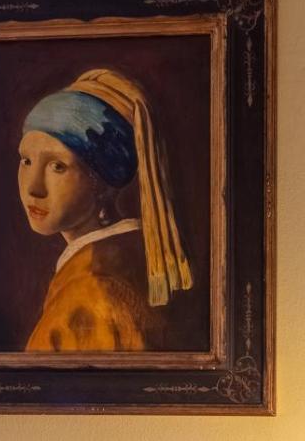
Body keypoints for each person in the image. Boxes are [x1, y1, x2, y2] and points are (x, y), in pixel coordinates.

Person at [18, 67, 193, 352]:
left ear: (103, 182)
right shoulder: (134, 255)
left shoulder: (90, 291)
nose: (33, 187)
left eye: (57, 166)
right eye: (26, 161)